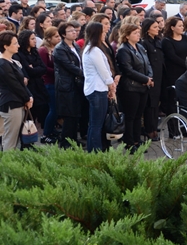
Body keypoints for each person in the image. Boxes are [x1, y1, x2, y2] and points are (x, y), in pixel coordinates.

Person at [115, 22, 153, 151]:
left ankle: (137, 140)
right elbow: (127, 70)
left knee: (138, 115)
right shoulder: (123, 50)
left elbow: (148, 64)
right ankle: (129, 142)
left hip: (143, 87)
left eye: (139, 33)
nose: (138, 35)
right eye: (135, 33)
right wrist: (145, 79)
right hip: (130, 88)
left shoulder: (140, 47)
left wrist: (149, 77)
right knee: (130, 116)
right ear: (127, 36)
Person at [81, 23, 116, 152]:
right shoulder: (93, 50)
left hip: (97, 89)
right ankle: (95, 151)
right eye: (103, 32)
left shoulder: (93, 48)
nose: (105, 34)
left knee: (95, 124)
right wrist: (111, 86)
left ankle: (93, 150)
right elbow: (104, 71)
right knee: (96, 124)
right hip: (97, 90)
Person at [53, 21, 84, 147]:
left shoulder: (76, 46)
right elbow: (69, 66)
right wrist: (86, 73)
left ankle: (73, 139)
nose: (74, 32)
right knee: (69, 115)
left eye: (75, 30)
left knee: (76, 114)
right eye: (70, 31)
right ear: (63, 34)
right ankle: (65, 142)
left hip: (77, 84)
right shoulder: (60, 49)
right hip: (67, 85)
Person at [0, 31, 33, 151]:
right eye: (15, 43)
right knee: (10, 140)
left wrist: (29, 96)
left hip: (17, 102)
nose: (18, 45)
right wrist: (27, 98)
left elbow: (21, 83)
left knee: (13, 139)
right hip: (11, 104)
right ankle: (9, 167)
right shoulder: (3, 64)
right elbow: (14, 84)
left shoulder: (11, 62)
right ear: (6, 46)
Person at [14, 30, 48, 133]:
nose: (35, 41)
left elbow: (43, 68)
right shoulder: (19, 54)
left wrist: (33, 69)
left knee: (41, 108)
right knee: (30, 114)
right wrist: (33, 69)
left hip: (39, 85)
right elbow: (28, 71)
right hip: (30, 87)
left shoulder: (34, 52)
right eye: (32, 39)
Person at [161, 16, 187, 117]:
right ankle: (174, 129)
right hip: (174, 74)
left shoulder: (185, 38)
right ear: (172, 27)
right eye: (179, 26)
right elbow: (172, 56)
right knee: (173, 101)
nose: (182, 28)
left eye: (182, 26)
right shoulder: (167, 41)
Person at [140, 18, 164, 141]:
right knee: (150, 105)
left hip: (159, 76)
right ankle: (149, 129)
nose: (158, 29)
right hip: (151, 77)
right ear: (148, 28)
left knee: (155, 104)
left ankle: (154, 127)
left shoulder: (158, 40)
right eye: (155, 27)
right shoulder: (144, 42)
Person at [38, 26, 60, 143]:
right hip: (49, 82)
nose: (59, 39)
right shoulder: (43, 50)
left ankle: (51, 130)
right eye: (56, 36)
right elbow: (44, 68)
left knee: (57, 108)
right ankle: (46, 133)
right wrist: (58, 71)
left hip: (56, 82)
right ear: (49, 38)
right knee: (54, 109)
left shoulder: (56, 48)